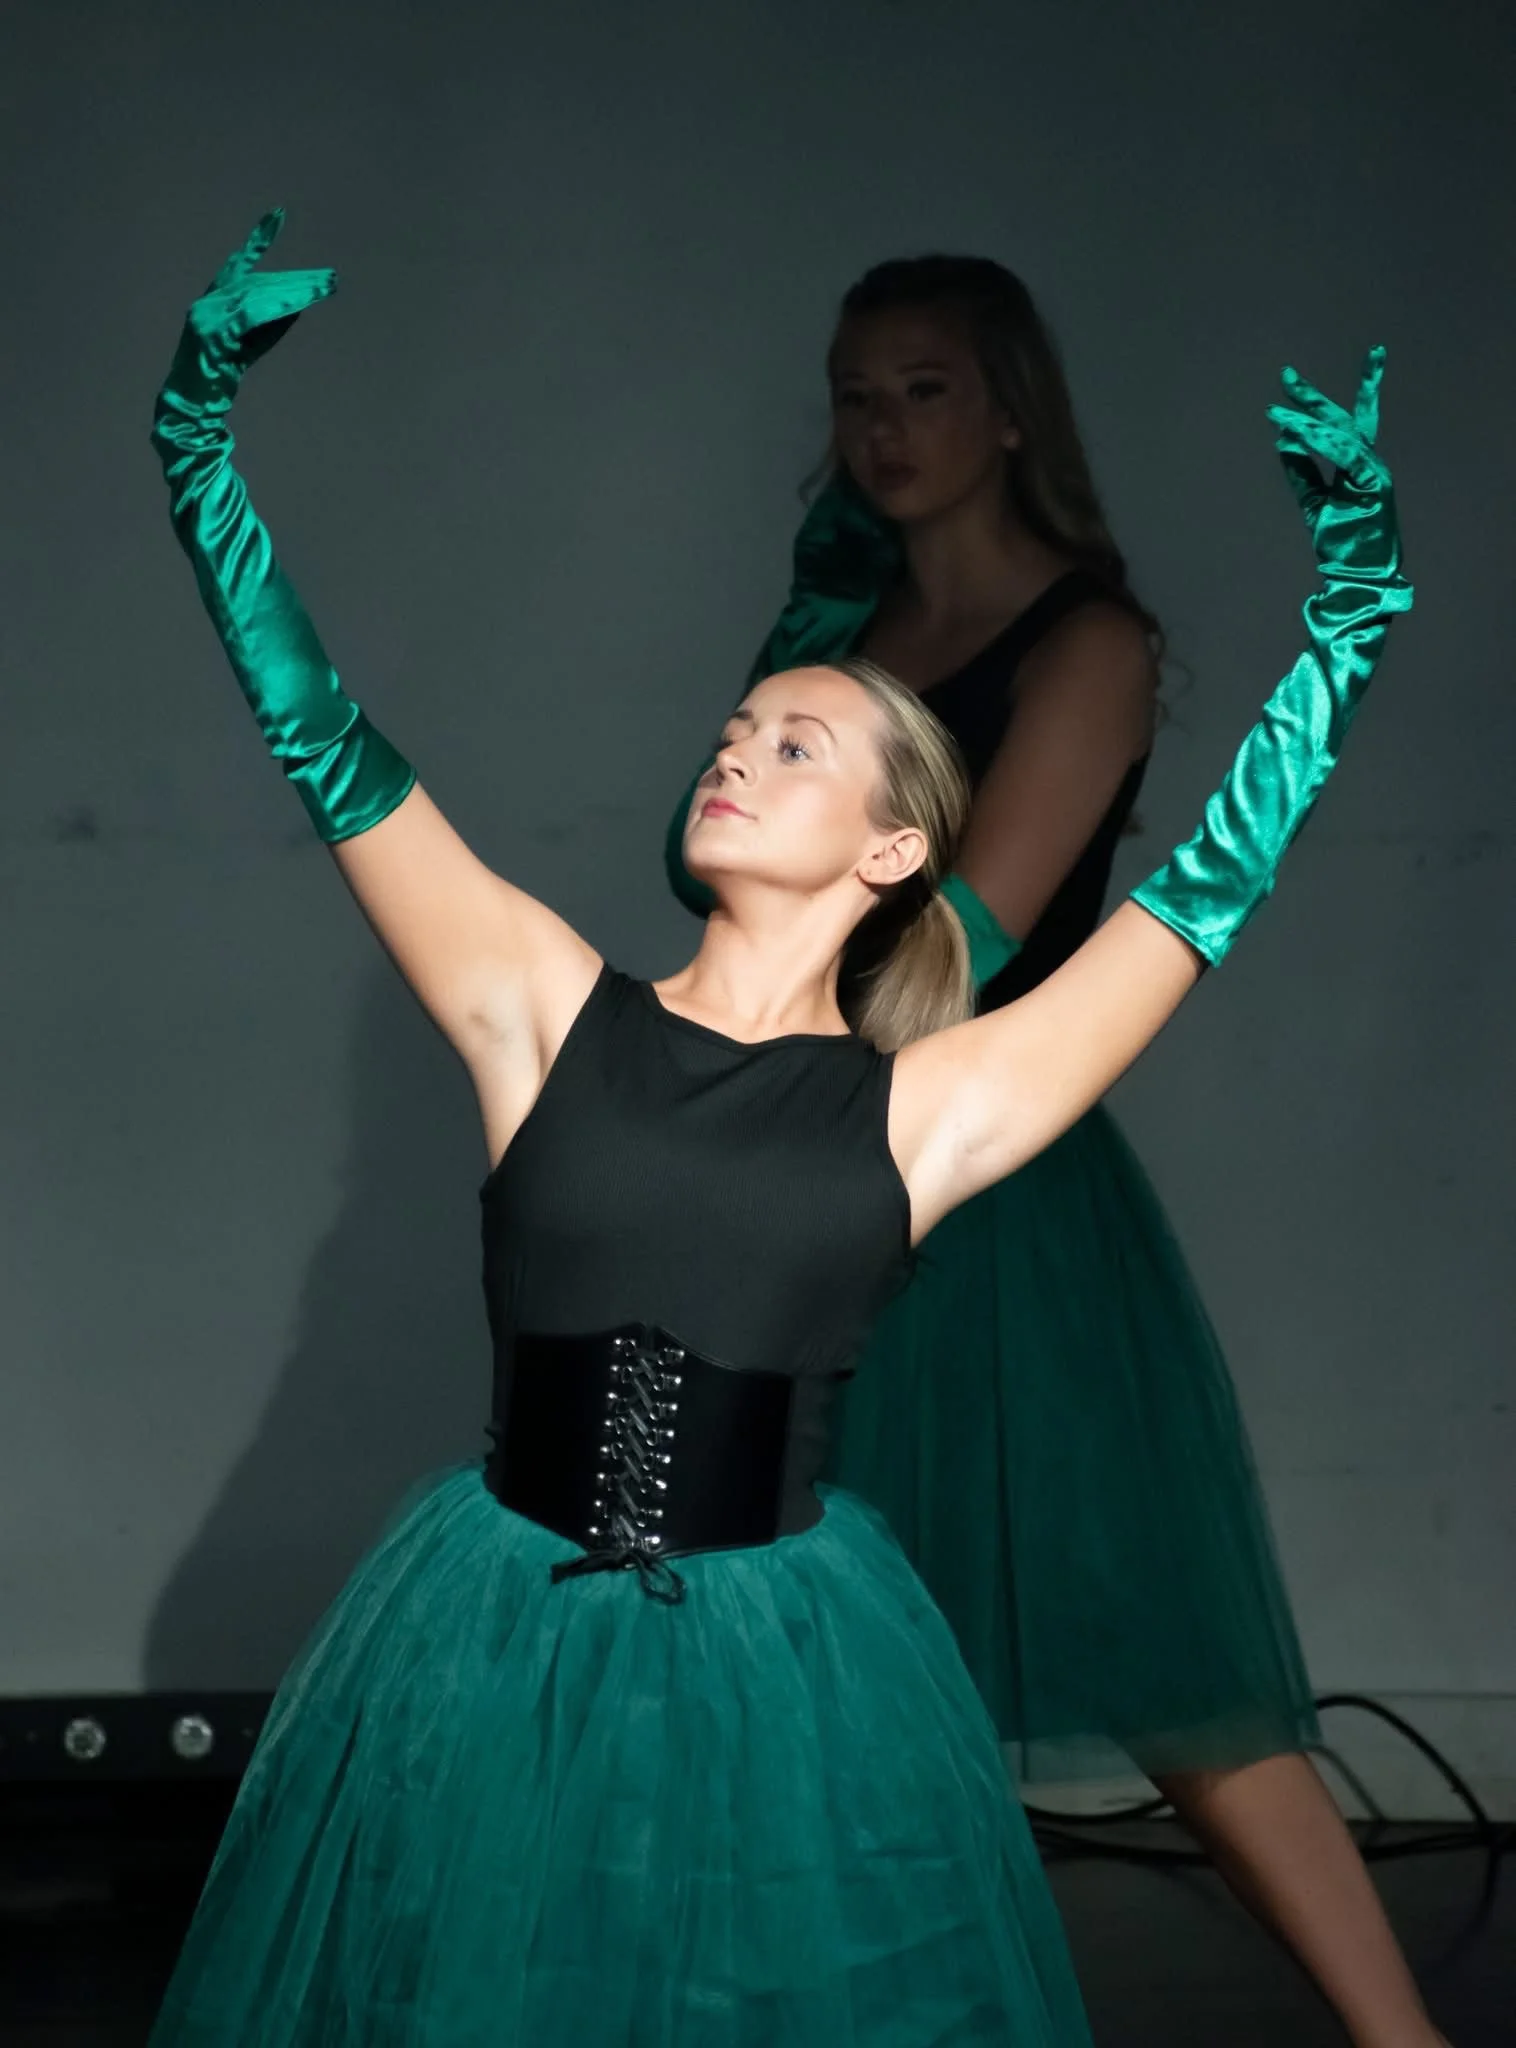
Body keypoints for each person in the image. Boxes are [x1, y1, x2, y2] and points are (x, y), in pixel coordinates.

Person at [146, 216, 1409, 2046]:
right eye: (739, 726)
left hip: (784, 1672)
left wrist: (1351, 618)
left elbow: (1201, 893)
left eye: (800, 743)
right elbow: (325, 737)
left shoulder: (931, 1109)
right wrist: (200, 454)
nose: (740, 748)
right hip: (493, 1635)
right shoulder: (542, 1006)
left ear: (895, 847)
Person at [665, 255, 1443, 2048]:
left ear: (1011, 408)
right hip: (810, 1152)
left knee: (1164, 1660)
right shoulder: (844, 645)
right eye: (858, 394)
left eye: (925, 389)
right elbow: (717, 880)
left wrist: (763, 1039)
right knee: (800, 1632)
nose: (882, 428)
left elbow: (977, 936)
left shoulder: (1083, 640)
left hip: (980, 1177)